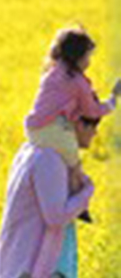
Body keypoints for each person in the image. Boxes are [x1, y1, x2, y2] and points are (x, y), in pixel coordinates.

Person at [0, 115, 100, 278]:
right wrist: (86, 193)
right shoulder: (48, 159)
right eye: (92, 123)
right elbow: (55, 216)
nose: (95, 132)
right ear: (71, 122)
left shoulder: (31, 150)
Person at [24, 26, 120, 221]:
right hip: (51, 129)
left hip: (36, 128)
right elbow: (91, 110)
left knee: (69, 162)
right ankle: (78, 206)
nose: (89, 61)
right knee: (74, 164)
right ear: (76, 57)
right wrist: (113, 100)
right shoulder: (76, 81)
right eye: (87, 56)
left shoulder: (54, 71)